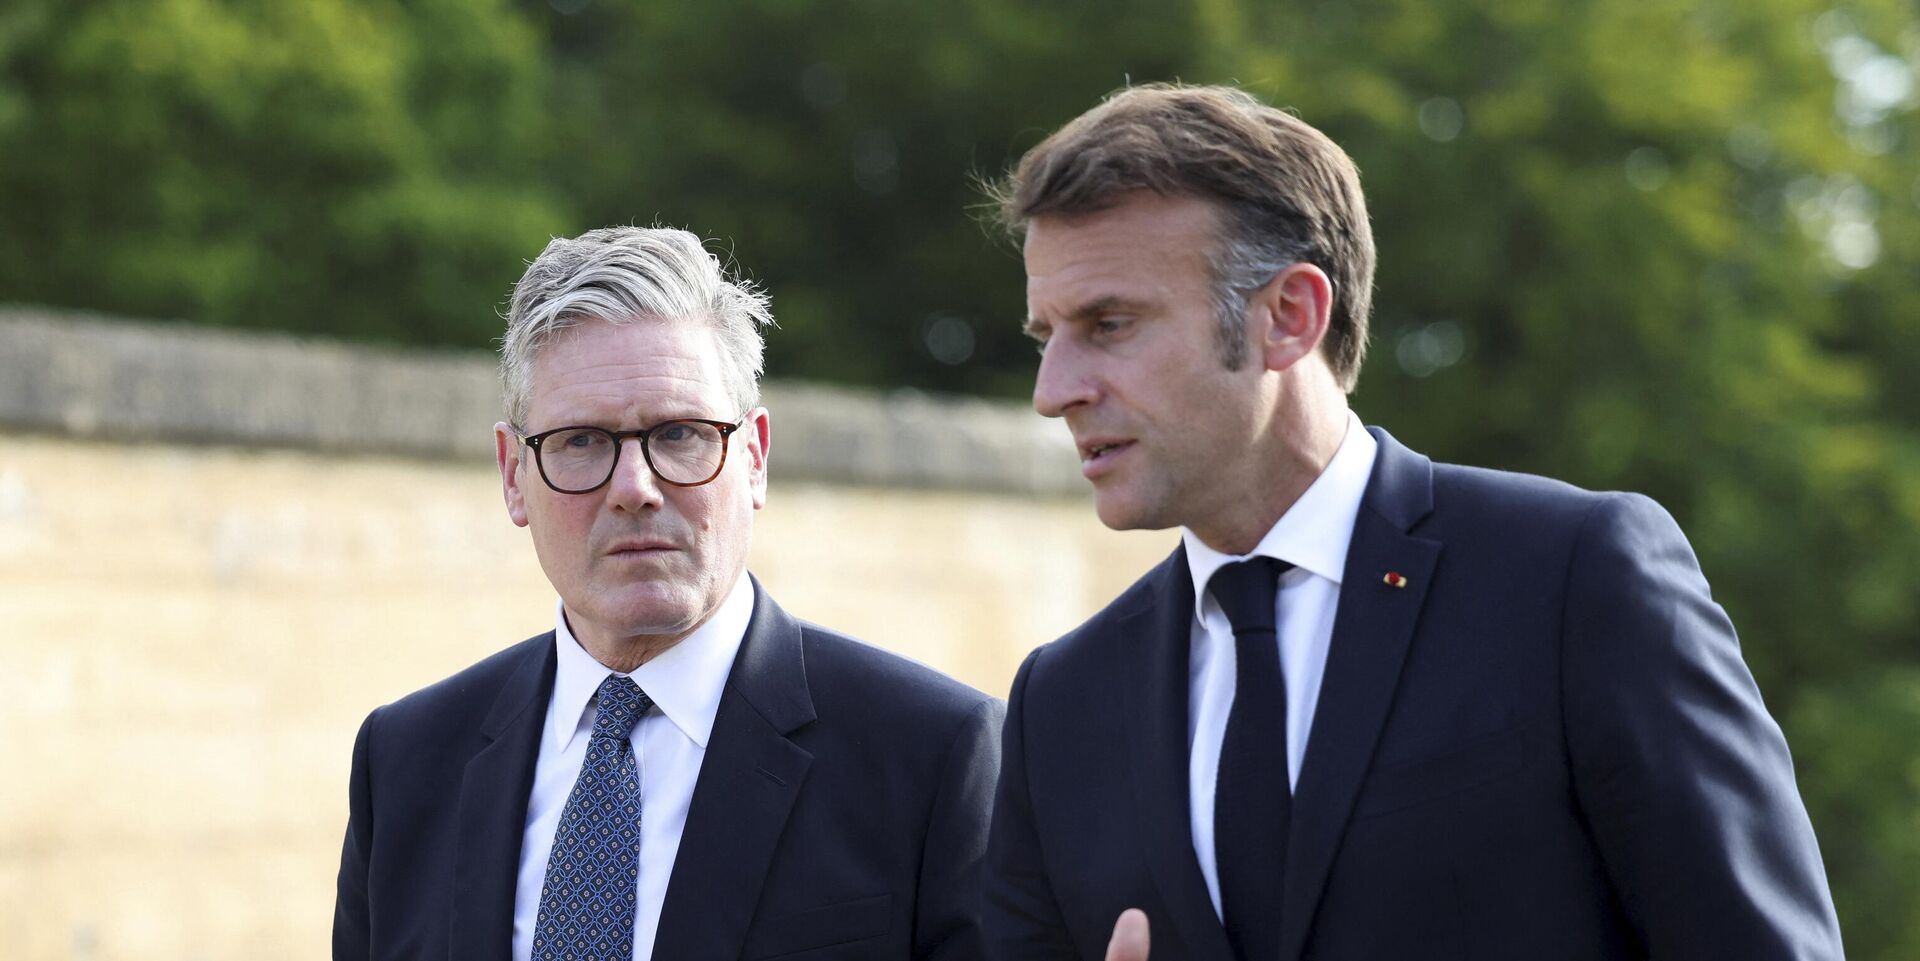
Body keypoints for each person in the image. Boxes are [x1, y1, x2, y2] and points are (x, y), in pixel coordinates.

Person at [984, 84, 1843, 961]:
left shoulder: (1573, 581)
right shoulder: (1059, 707)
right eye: (1046, 336)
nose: (1054, 392)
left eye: (1109, 324)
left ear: (1290, 317)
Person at [332, 226, 1002, 961]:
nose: (634, 488)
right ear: (512, 474)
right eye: (581, 440)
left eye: (680, 433)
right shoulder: (405, 763)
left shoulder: (932, 756)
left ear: (754, 457)